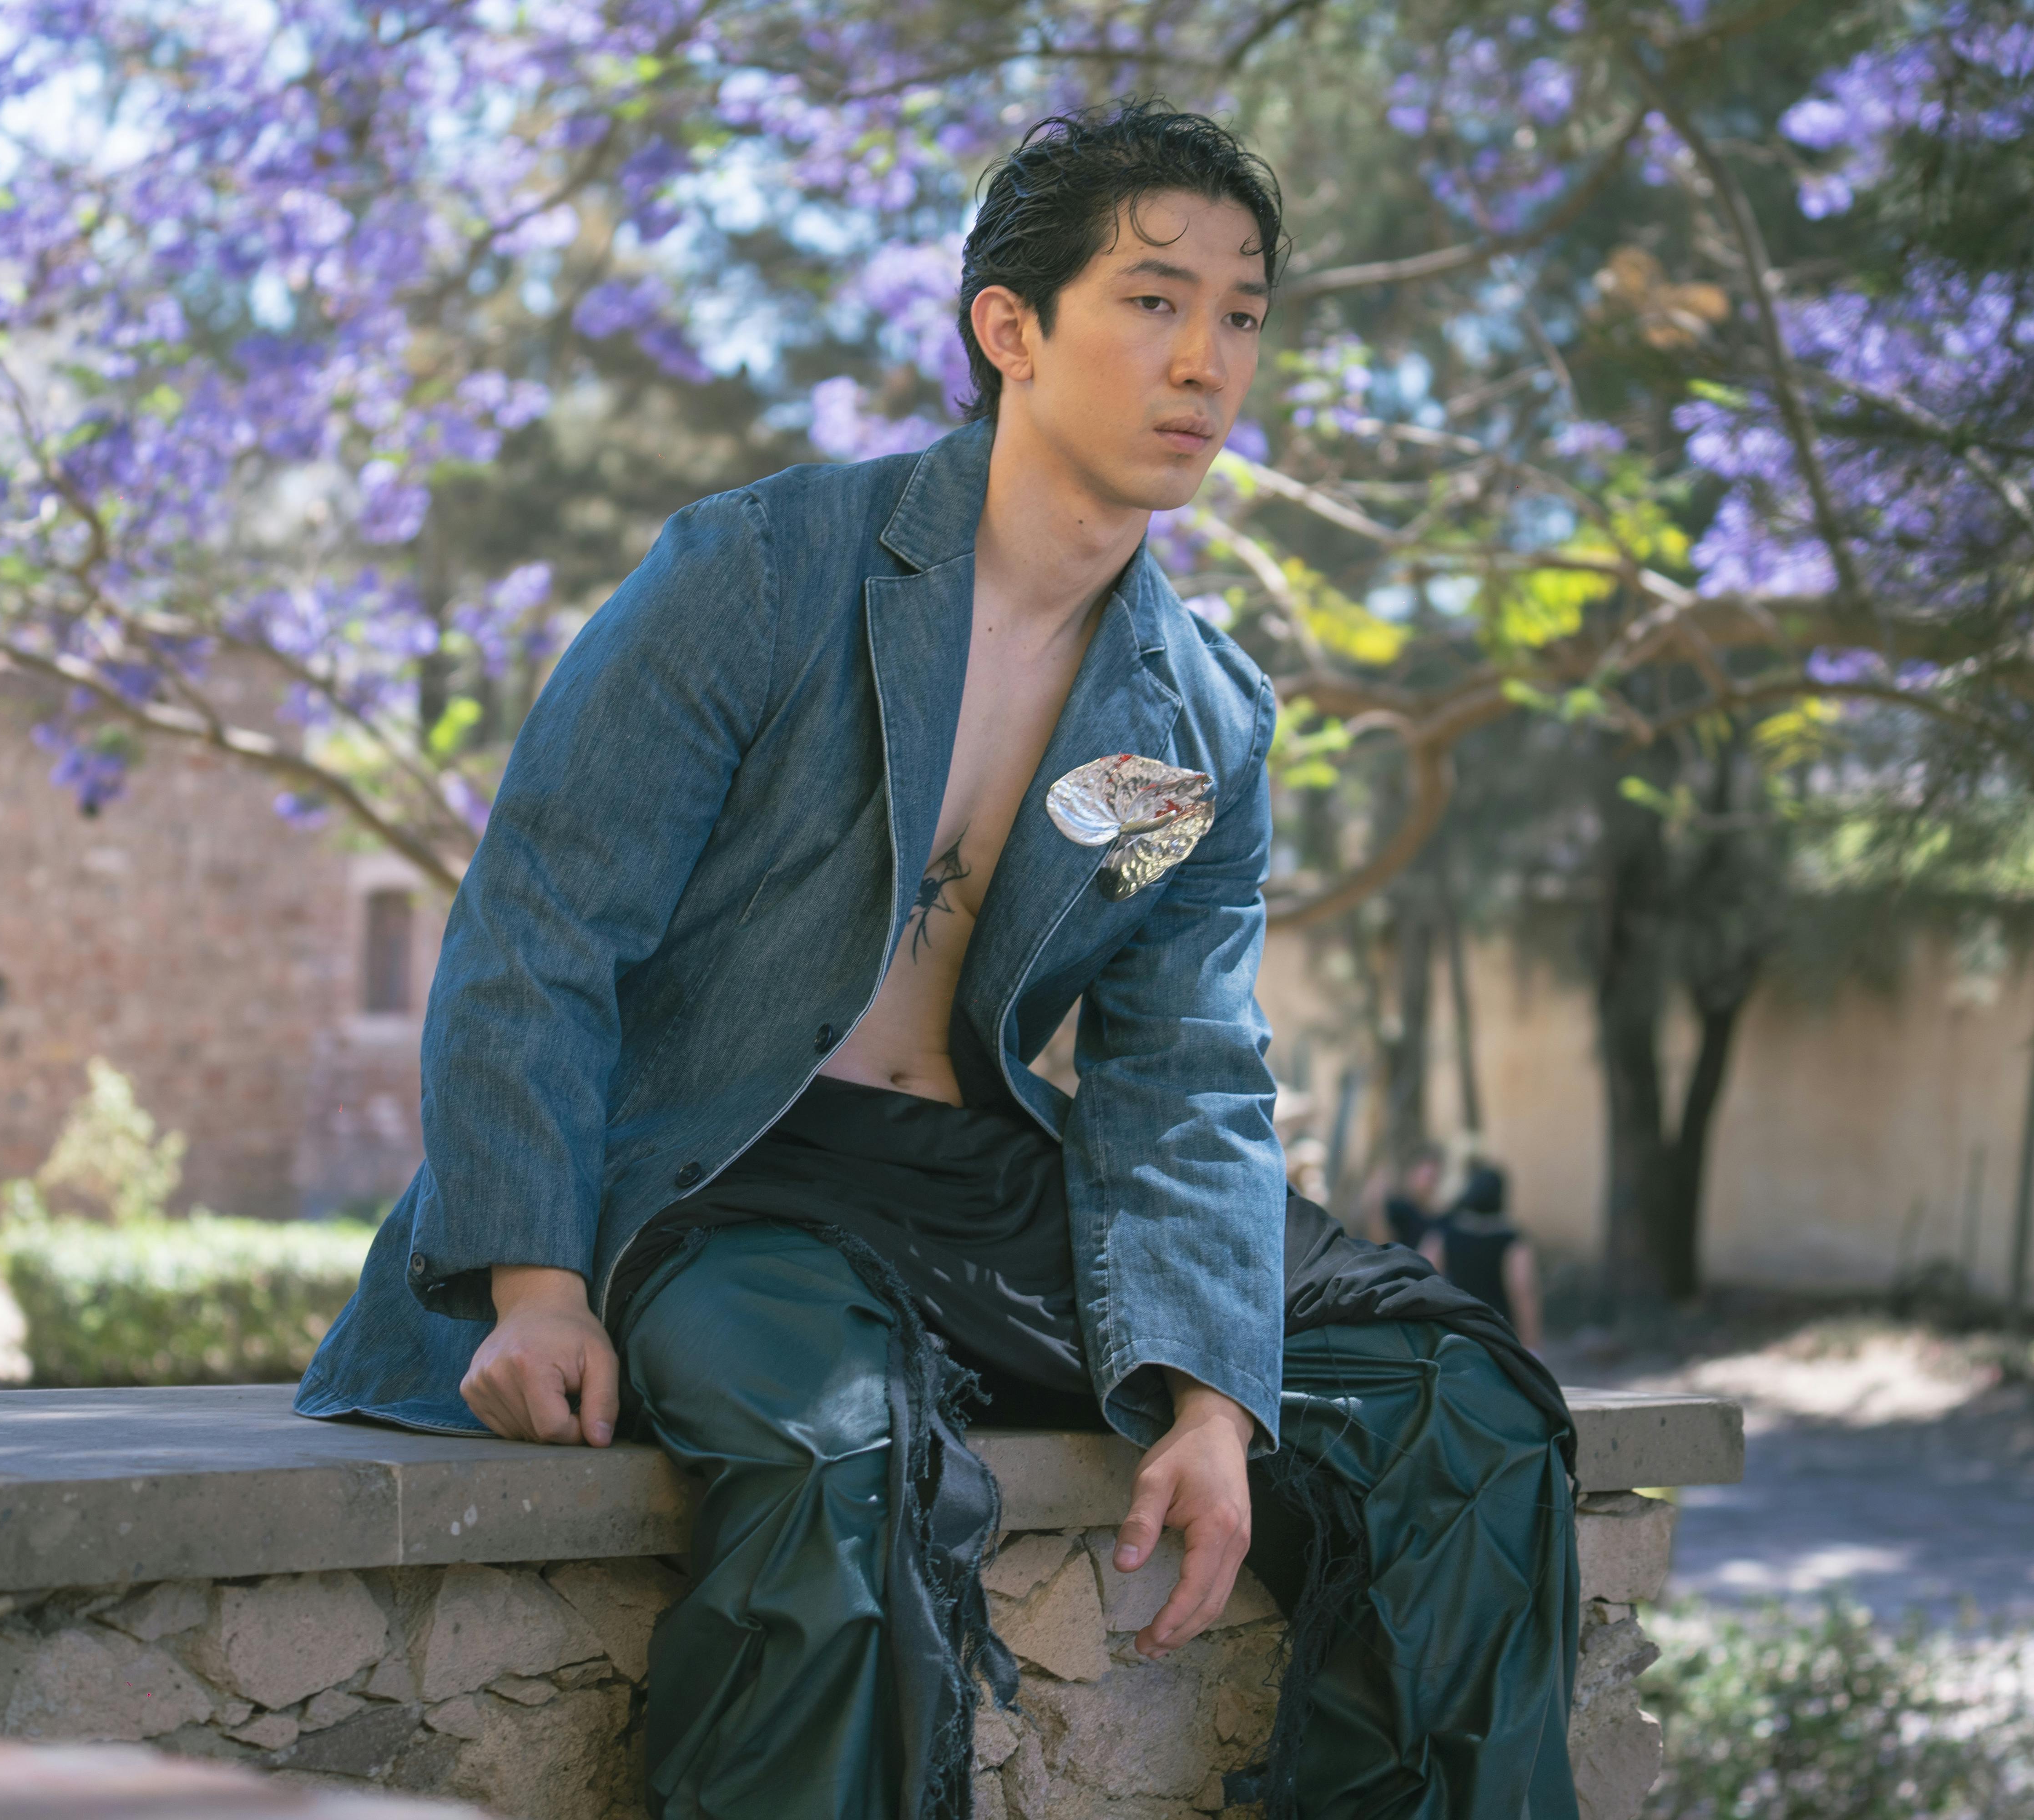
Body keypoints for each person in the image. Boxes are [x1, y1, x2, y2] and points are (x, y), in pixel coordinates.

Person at [297, 100, 1579, 1820]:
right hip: (711, 1171)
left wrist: (1215, 1395)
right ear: (1009, 329)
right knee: (839, 1447)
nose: (1204, 360)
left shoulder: (1201, 714)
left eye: (1241, 314)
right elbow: (541, 927)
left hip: (958, 1176)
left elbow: (1182, 1067)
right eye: (1151, 300)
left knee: (1457, 1406)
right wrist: (533, 1282)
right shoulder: (761, 568)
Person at [1422, 1161, 1546, 1346]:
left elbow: (1424, 1275)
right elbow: (1522, 1290)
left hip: (1453, 1331)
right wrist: (1531, 1345)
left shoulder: (1445, 1232)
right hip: (1498, 1336)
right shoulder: (1512, 1240)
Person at [1379, 1145, 1447, 1251]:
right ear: (1413, 1174)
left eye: (1435, 1179)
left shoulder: (1433, 1220)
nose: (1432, 1185)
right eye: (1429, 1178)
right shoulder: (1396, 1209)